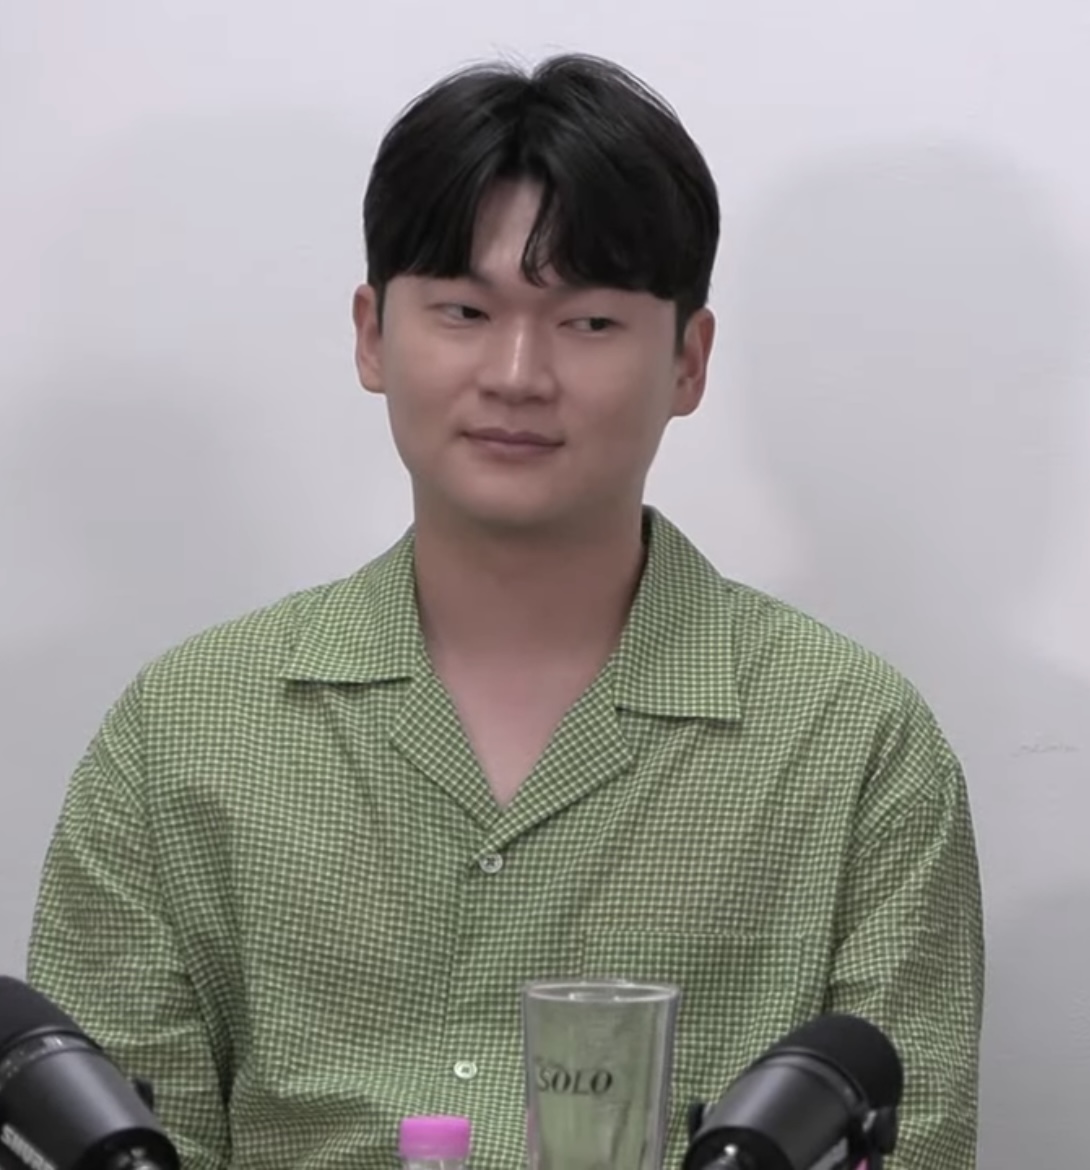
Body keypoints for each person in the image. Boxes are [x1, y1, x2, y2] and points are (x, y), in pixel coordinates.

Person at [26, 54, 984, 1170]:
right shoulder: (183, 730)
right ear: (372, 335)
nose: (519, 373)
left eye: (589, 322)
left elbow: (910, 1144)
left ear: (688, 360)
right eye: (465, 310)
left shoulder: (853, 740)